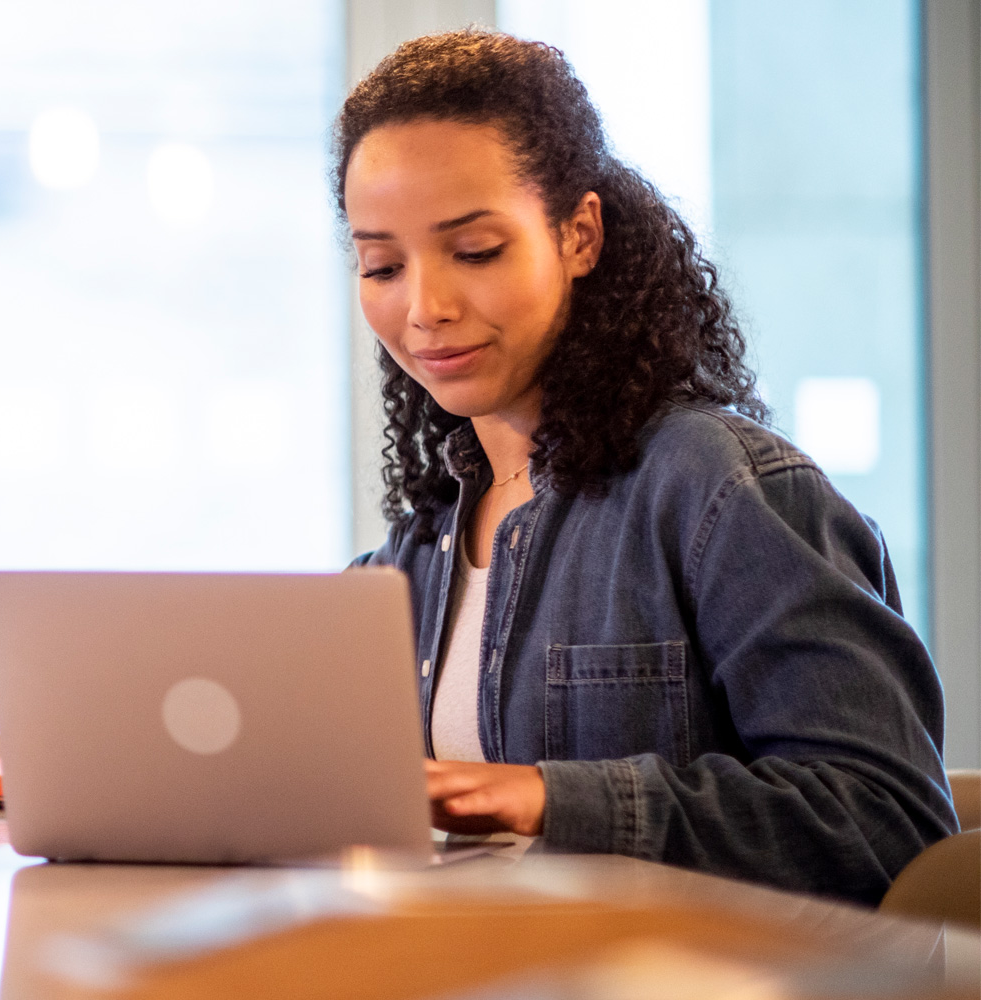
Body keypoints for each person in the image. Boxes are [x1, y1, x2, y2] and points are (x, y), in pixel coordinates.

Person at [340, 29, 955, 904]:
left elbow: (886, 819)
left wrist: (555, 799)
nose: (426, 308)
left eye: (476, 251)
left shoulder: (716, 487)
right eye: (382, 266)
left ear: (579, 234)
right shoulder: (415, 552)